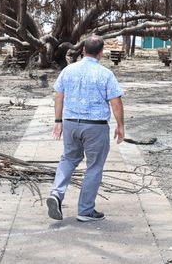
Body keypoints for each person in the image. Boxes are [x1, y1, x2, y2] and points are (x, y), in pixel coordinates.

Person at [46, 35, 125, 222]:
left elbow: (58, 96)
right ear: (101, 53)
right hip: (95, 127)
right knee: (94, 166)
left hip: (71, 123)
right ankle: (85, 210)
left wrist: (58, 121)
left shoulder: (68, 70)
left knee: (68, 159)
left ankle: (56, 194)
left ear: (82, 51)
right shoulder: (105, 74)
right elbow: (116, 102)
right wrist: (120, 126)